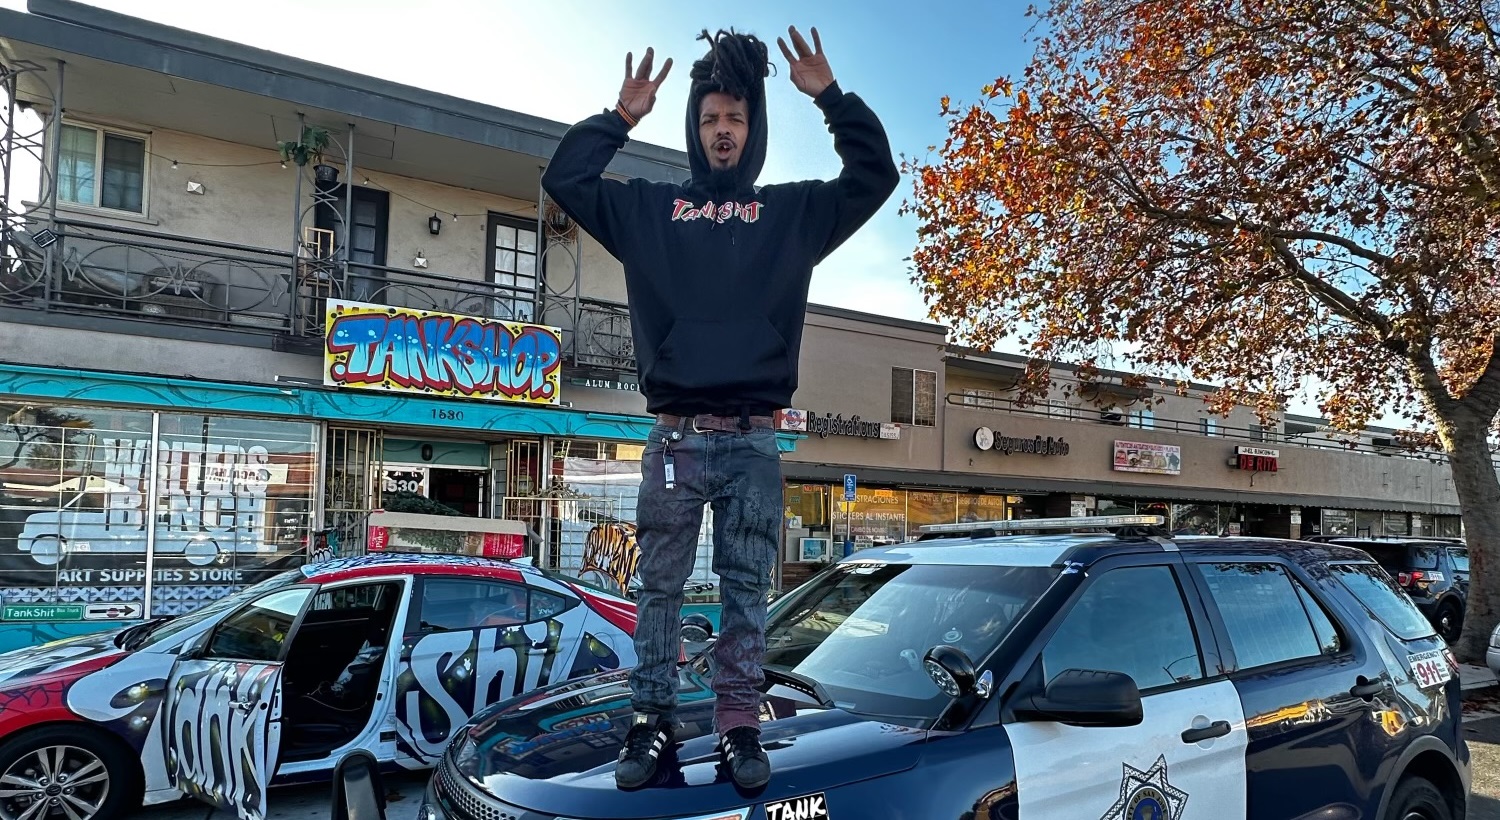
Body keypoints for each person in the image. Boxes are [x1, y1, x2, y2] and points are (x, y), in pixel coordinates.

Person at [541, 24, 897, 790]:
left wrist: (831, 98)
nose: (723, 130)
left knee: (744, 593)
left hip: (753, 441)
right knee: (659, 590)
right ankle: (650, 722)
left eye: (735, 116)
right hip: (675, 439)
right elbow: (566, 177)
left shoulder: (791, 214)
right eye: (709, 118)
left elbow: (875, 175)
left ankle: (739, 727)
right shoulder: (650, 209)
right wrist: (620, 116)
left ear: (754, 125)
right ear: (693, 127)